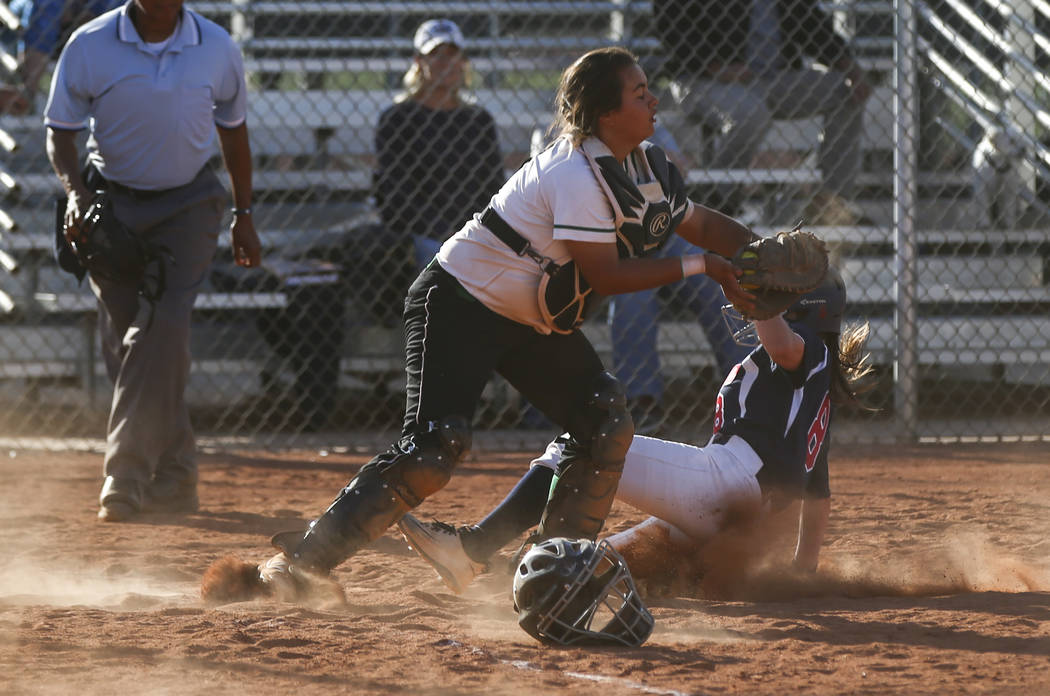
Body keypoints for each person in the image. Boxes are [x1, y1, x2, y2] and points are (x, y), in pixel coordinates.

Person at [244, 46, 759, 597]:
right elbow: (606, 275)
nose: (653, 99)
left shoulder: (641, 164)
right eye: (639, 93)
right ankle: (303, 562)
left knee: (602, 422)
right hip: (460, 301)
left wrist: (763, 251)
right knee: (436, 446)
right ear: (607, 115)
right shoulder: (575, 172)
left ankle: (541, 571)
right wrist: (702, 266)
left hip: (527, 316)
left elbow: (700, 222)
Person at [397, 268, 874, 594]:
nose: (772, 303)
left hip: (726, 482)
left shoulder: (805, 349)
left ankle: (472, 548)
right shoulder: (819, 393)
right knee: (606, 564)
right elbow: (819, 496)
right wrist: (803, 573)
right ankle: (520, 577)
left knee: (585, 443)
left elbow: (781, 340)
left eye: (785, 298)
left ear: (807, 311)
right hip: (736, 519)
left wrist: (757, 290)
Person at [44, 0, 261, 522]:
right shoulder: (90, 43)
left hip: (189, 205)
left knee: (160, 329)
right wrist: (75, 194)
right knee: (136, 349)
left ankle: (124, 475)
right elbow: (60, 131)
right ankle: (178, 476)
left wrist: (244, 213)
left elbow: (233, 132)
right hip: (108, 205)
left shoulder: (216, 46)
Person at [652, 0, 874, 225]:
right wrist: (713, 66)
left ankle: (830, 203)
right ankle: (719, 202)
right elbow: (669, 20)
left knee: (848, 91)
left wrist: (848, 65)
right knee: (752, 114)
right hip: (702, 78)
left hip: (772, 78)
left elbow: (810, 22)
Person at [373, 18, 506, 271]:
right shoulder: (397, 119)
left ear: (463, 62)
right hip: (421, 233)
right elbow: (398, 191)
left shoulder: (478, 120)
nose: (446, 63)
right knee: (438, 258)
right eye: (435, 55)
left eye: (452, 55)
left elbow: (493, 185)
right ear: (418, 62)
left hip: (474, 231)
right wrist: (444, 234)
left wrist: (473, 232)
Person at [1, 0, 119, 113]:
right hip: (29, 11)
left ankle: (112, 93)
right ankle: (27, 92)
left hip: (79, 15)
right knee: (49, 5)